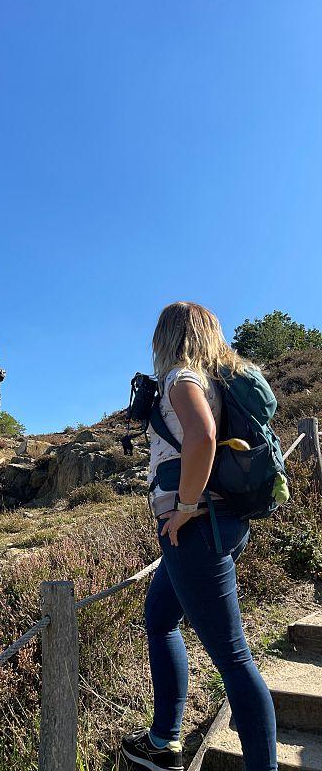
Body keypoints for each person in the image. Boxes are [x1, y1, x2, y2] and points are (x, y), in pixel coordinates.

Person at [121, 302, 277, 771]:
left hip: (197, 530)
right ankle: (164, 740)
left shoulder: (179, 378)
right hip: (219, 523)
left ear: (168, 336)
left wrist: (185, 507)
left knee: (234, 660)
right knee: (159, 617)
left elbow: (203, 437)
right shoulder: (214, 381)